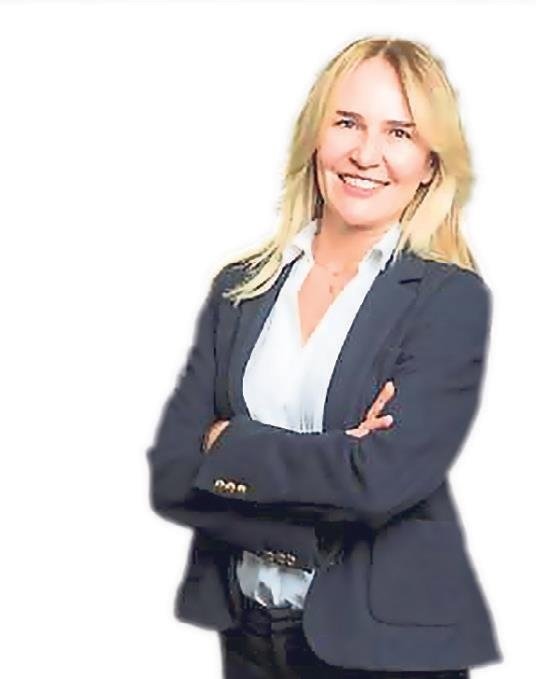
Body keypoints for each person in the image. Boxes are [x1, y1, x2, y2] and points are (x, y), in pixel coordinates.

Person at [146, 36, 503, 678]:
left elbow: (379, 482)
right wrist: (323, 487)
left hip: (386, 649)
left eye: (399, 132)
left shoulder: (448, 299)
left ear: (429, 163)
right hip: (249, 635)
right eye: (347, 123)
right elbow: (173, 473)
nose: (366, 154)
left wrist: (226, 445)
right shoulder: (240, 288)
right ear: (316, 136)